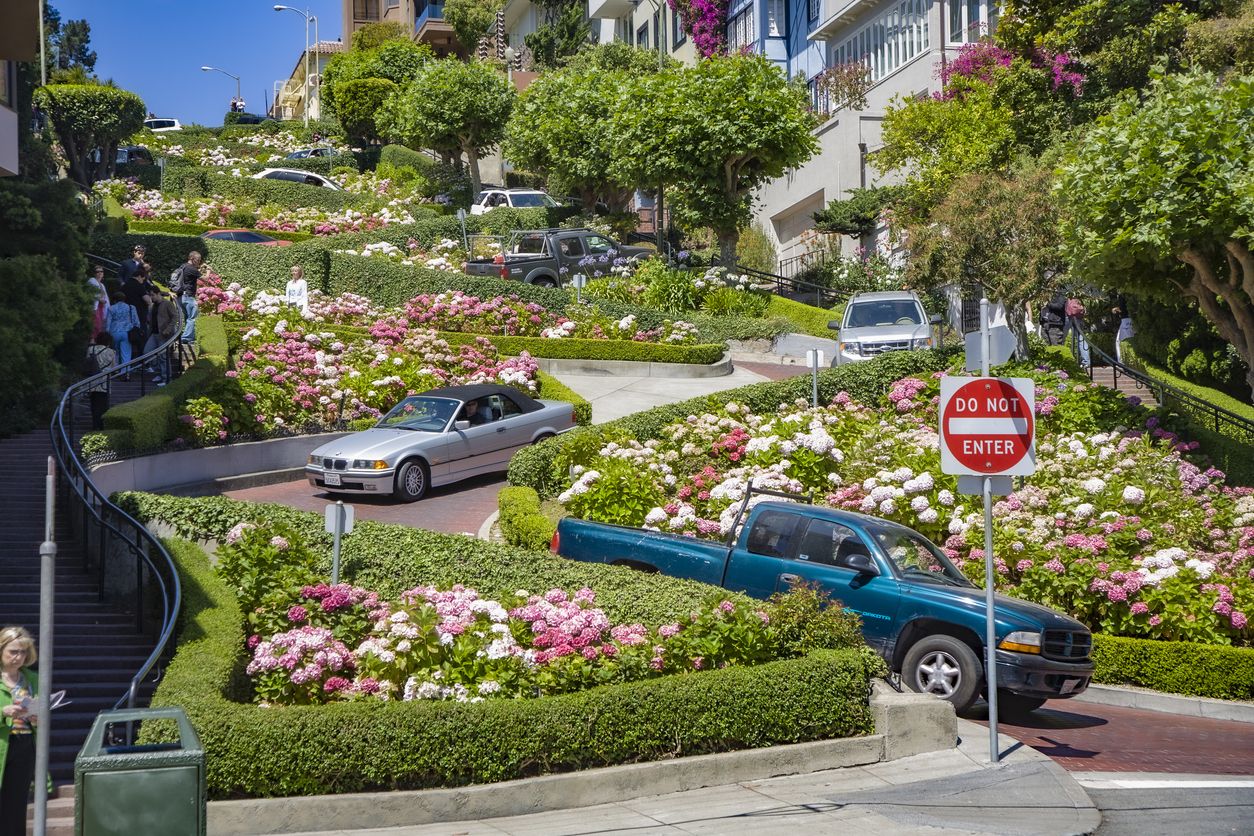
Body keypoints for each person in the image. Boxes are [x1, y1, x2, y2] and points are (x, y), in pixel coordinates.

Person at [1, 626, 40, 836]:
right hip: (2, 743)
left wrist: (36, 718)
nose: (19, 657)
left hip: (24, 745)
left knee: (16, 805)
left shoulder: (32, 679)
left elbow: (42, 710)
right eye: (13, 652)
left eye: (23, 652)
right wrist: (3, 713)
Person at [142, 289, 179, 386]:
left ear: (158, 294)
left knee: (163, 357)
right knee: (147, 352)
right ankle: (159, 372)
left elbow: (175, 317)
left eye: (153, 295)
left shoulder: (167, 304)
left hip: (164, 334)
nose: (152, 297)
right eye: (150, 295)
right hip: (154, 333)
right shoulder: (153, 306)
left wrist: (168, 329)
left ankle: (166, 378)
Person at [103, 292, 140, 379]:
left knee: (115, 352)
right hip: (127, 332)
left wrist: (107, 334)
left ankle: (115, 371)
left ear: (115, 300)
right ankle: (125, 373)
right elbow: (136, 322)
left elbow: (107, 324)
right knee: (126, 353)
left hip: (114, 332)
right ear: (124, 299)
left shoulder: (111, 308)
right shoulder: (131, 308)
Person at [85, 333, 118, 428]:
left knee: (94, 404)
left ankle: (95, 424)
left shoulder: (91, 349)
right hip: (104, 382)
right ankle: (101, 425)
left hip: (92, 381)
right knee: (103, 405)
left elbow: (88, 363)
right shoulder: (111, 352)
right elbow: (113, 368)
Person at [173, 251, 203, 345]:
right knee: (193, 317)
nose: (199, 262)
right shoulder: (192, 269)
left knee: (187, 317)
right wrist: (209, 270)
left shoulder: (183, 266)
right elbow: (205, 278)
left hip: (180, 296)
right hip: (188, 296)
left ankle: (186, 337)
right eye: (198, 260)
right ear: (192, 258)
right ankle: (186, 338)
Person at [1065, 295, 1091, 367]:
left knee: (1061, 338)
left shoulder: (1066, 296)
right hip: (1078, 319)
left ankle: (1065, 359)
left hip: (1068, 318)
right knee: (1081, 339)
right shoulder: (1078, 298)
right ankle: (1086, 361)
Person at [87, 265, 109, 341]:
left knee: (99, 326)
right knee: (94, 327)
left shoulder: (102, 285)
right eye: (97, 272)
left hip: (101, 308)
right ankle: (92, 343)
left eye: (101, 271)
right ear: (94, 273)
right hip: (95, 307)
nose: (100, 273)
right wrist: (101, 300)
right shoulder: (92, 281)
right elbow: (93, 294)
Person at [1112, 294, 1134, 364]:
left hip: (1126, 320)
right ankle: (1123, 361)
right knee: (1121, 341)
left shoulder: (1123, 294)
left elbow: (1124, 308)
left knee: (1122, 341)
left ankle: (1123, 362)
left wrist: (1116, 309)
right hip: (1129, 319)